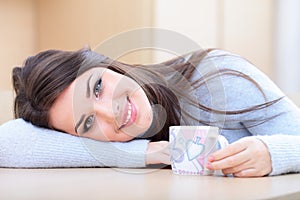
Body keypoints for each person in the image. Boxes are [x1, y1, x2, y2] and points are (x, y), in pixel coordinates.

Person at [12, 47, 300, 177]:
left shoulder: (220, 77)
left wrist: (272, 154)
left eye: (98, 87)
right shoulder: (121, 149)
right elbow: (9, 143)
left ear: (106, 64)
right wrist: (149, 153)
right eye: (88, 122)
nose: (111, 114)